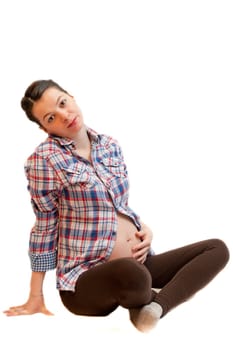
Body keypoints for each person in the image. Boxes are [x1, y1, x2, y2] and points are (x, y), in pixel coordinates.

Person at [4, 79, 229, 332]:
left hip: (140, 263)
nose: (64, 116)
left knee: (217, 249)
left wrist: (144, 228)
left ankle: (153, 309)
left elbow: (117, 205)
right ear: (45, 128)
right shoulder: (43, 160)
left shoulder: (109, 145)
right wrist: (36, 294)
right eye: (50, 117)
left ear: (72, 96)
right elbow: (45, 225)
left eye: (63, 103)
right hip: (85, 281)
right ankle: (145, 300)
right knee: (133, 273)